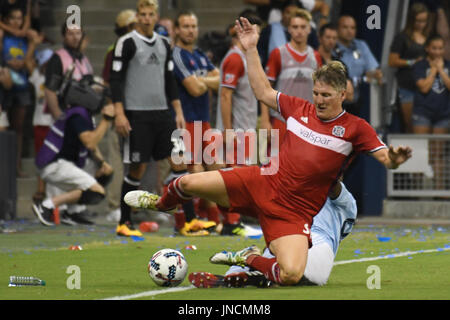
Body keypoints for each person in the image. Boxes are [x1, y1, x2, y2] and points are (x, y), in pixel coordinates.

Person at [125, 17, 412, 286]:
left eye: (326, 95)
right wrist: (250, 49)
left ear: (342, 95)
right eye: (316, 93)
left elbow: (385, 157)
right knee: (187, 182)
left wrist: (395, 160)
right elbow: (262, 91)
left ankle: (248, 258)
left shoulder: (355, 128)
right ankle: (164, 204)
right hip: (261, 182)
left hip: (293, 211)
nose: (319, 100)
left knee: (291, 274)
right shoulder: (299, 109)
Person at [110, 0, 187, 237]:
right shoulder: (127, 43)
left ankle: (187, 221)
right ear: (137, 17)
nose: (146, 18)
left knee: (179, 162)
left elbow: (169, 80)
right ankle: (124, 222)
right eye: (141, 14)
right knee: (137, 168)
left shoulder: (165, 43)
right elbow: (116, 81)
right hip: (137, 114)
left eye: (150, 14)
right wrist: (120, 113)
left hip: (162, 113)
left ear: (156, 16)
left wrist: (178, 111)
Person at [188, 181, 356, 288]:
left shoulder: (345, 201)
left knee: (304, 275)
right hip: (289, 239)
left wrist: (324, 163)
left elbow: (333, 186)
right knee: (297, 276)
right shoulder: (294, 187)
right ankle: (250, 267)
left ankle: (248, 261)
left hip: (313, 240)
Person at [171, 10, 223, 233]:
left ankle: (213, 220)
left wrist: (202, 81)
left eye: (193, 26)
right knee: (195, 173)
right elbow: (193, 89)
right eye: (185, 26)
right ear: (177, 30)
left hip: (204, 121)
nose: (190, 30)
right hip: (186, 121)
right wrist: (205, 82)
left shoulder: (200, 54)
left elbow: (220, 80)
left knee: (214, 171)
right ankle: (190, 222)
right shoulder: (177, 55)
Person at [215, 13, 264, 236]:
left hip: (246, 127)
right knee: (233, 178)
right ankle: (231, 223)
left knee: (240, 177)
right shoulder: (234, 58)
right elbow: (225, 95)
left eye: (258, 33)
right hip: (236, 130)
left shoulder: (247, 57)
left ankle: (232, 222)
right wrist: (227, 131)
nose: (256, 37)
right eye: (253, 32)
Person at [260, 8, 322, 144]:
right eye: (295, 27)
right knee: (275, 164)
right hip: (281, 120)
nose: (299, 31)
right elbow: (265, 89)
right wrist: (265, 120)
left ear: (309, 29)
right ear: (289, 29)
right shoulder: (278, 54)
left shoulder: (316, 57)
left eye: (302, 27)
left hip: (308, 123)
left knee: (304, 164)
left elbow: (321, 92)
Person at [101, 9, 137, 223]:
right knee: (116, 158)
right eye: (131, 26)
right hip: (120, 111)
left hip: (138, 110)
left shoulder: (138, 47)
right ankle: (115, 205)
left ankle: (134, 205)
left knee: (138, 162)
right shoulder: (114, 50)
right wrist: (114, 110)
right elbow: (108, 83)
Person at [2, 6, 39, 176]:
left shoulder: (25, 40)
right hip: (4, 87)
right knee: (4, 127)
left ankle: (16, 166)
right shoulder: (3, 38)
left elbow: (29, 66)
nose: (17, 21)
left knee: (18, 129)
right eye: (13, 18)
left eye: (19, 18)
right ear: (7, 20)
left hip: (21, 88)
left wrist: (32, 44)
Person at [412, 34, 450, 190]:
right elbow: (424, 87)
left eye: (440, 48)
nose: (437, 51)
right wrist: (433, 70)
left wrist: (441, 70)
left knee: (438, 153)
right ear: (428, 49)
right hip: (423, 112)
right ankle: (417, 189)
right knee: (420, 151)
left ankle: (439, 189)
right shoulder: (420, 65)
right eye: (434, 48)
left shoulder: (448, 65)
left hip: (443, 114)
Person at [388, 3, 429, 133]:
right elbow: (392, 61)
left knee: (424, 122)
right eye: (418, 21)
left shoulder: (428, 38)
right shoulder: (402, 38)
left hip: (425, 85)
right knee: (410, 123)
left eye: (424, 21)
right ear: (411, 20)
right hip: (407, 86)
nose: (421, 24)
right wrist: (412, 62)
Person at [334, 15, 383, 116]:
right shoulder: (332, 46)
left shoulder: (361, 45)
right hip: (336, 101)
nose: (349, 31)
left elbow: (373, 71)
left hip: (357, 100)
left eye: (352, 28)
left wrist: (373, 75)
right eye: (345, 27)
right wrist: (364, 78)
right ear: (337, 29)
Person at [257, 0, 319, 69]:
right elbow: (261, 53)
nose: (290, 16)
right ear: (282, 13)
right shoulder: (269, 30)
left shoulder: (309, 31)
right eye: (288, 12)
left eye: (295, 13)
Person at [30, 48, 53, 204]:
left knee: (53, 159)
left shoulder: (57, 79)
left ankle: (51, 191)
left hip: (53, 124)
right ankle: (41, 189)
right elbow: (27, 62)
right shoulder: (38, 77)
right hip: (39, 123)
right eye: (46, 62)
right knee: (41, 158)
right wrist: (34, 44)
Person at [317, 23, 354, 102]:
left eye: (334, 38)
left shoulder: (340, 64)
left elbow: (350, 94)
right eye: (328, 37)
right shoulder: (311, 59)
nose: (331, 41)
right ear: (320, 38)